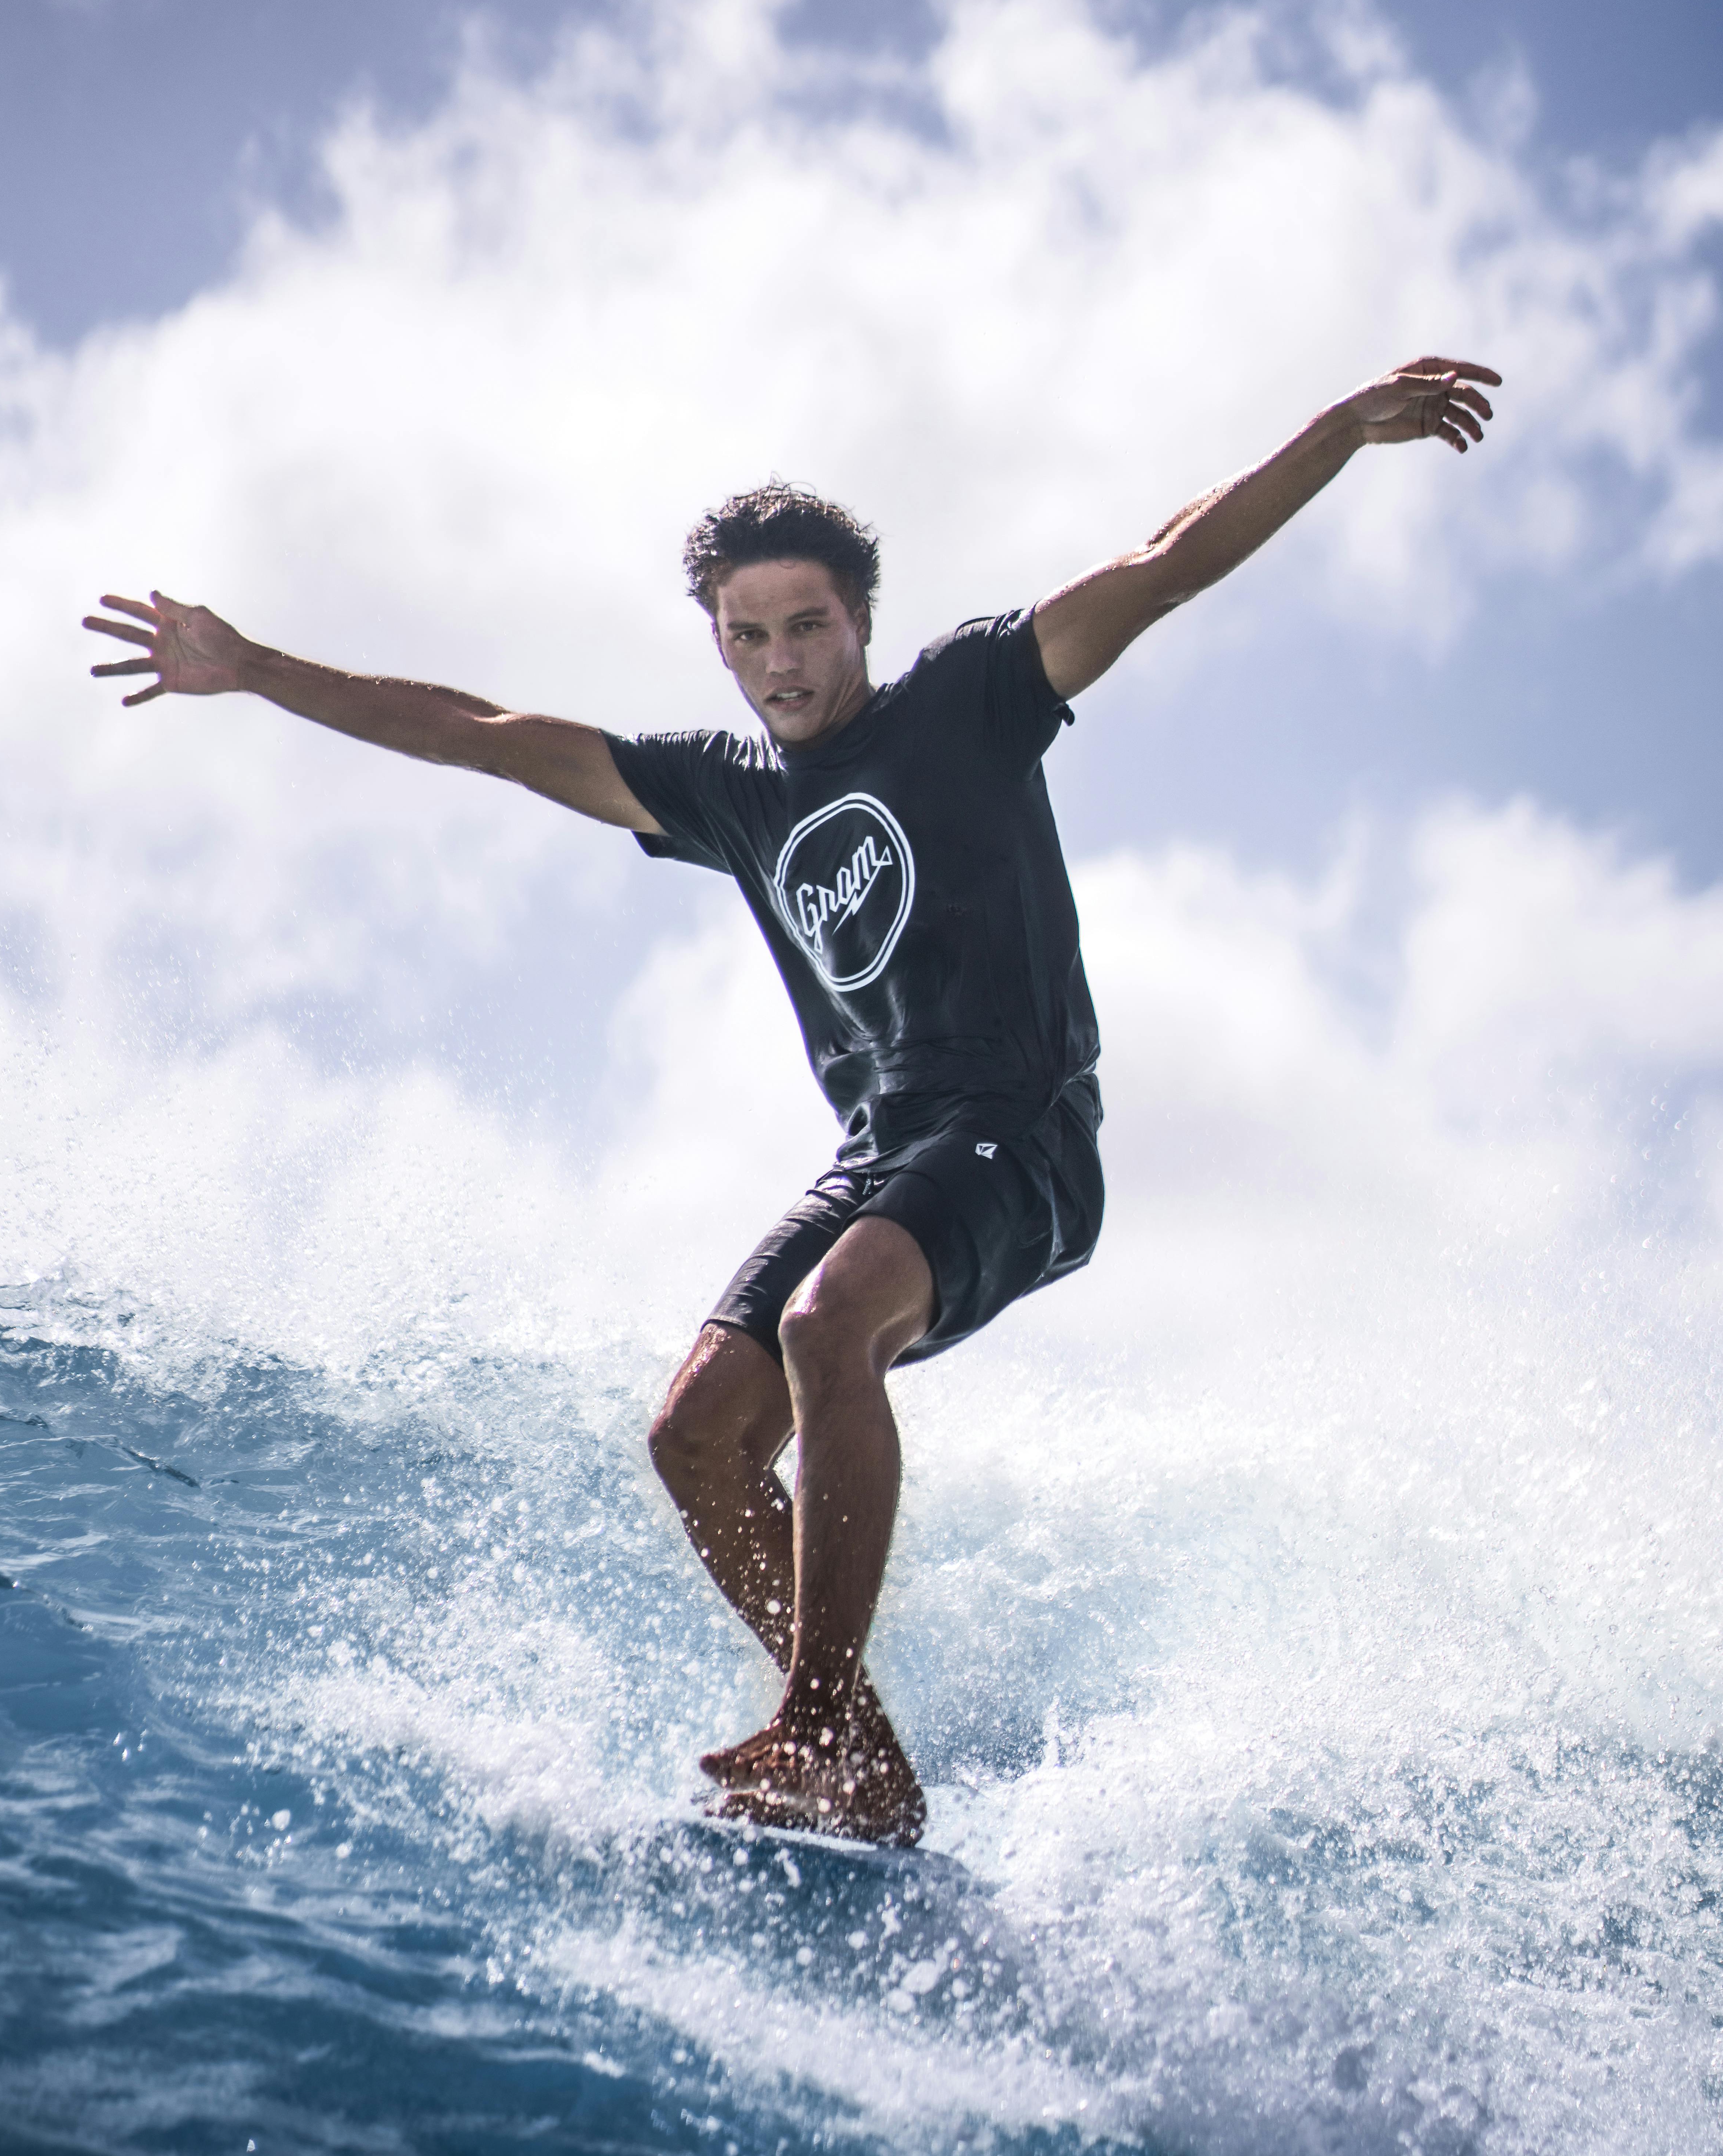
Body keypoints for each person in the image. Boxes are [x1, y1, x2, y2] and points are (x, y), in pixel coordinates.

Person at [85, 354, 1499, 1845]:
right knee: (694, 1433)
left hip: (1023, 1132)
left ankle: (817, 1723)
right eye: (745, 636)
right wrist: (253, 669)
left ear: (860, 623)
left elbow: (1160, 567)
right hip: (884, 1152)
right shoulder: (728, 792)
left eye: (807, 626)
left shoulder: (971, 698)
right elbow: (484, 732)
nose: (780, 662)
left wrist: (1339, 432)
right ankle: (868, 1768)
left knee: (832, 1326)